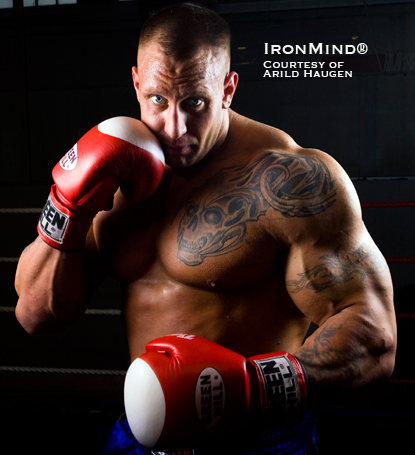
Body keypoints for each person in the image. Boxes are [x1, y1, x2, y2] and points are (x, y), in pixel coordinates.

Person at [15, 3, 397, 455]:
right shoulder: (114, 172)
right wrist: (67, 205)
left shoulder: (288, 181)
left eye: (195, 102)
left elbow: (374, 338)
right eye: (157, 99)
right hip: (139, 437)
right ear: (136, 83)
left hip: (255, 441)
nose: (174, 128)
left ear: (228, 89)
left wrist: (251, 388)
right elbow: (36, 315)